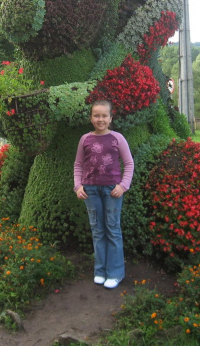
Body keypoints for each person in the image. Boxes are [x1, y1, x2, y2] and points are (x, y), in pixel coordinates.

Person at [73, 99, 134, 289]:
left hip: (112, 191)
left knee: (112, 230)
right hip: (90, 191)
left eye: (104, 116)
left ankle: (115, 273)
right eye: (96, 115)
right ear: (91, 118)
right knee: (97, 231)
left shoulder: (117, 138)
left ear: (110, 118)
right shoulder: (85, 139)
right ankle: (100, 270)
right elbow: (78, 165)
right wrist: (78, 186)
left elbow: (129, 164)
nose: (100, 119)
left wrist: (123, 186)